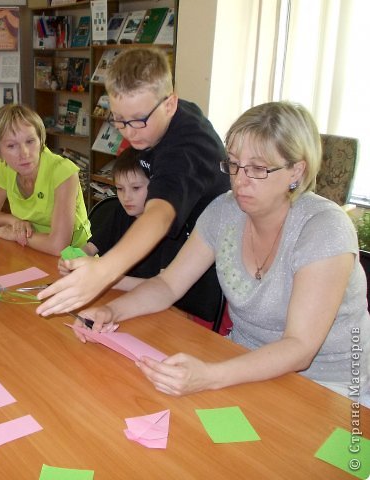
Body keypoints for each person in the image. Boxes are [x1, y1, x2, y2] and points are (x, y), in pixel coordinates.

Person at [71, 101, 370, 405]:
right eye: (235, 164)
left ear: (297, 169)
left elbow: (300, 348)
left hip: (329, 388)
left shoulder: (323, 227)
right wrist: (111, 311)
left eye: (257, 169)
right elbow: (168, 284)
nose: (240, 181)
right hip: (239, 363)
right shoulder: (224, 211)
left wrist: (210, 376)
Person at [37, 47, 230, 316]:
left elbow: (160, 214)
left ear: (170, 104)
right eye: (119, 119)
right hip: (174, 259)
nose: (128, 132)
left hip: (207, 265)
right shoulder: (152, 121)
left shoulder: (186, 147)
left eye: (138, 120)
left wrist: (103, 272)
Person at [59, 147, 188, 293]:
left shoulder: (173, 227)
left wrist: (105, 277)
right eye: (120, 189)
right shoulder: (121, 213)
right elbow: (90, 248)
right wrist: (70, 260)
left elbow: (163, 287)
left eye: (136, 188)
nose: (126, 197)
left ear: (158, 185)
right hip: (117, 295)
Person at [0, 104, 90, 255]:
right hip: (30, 250)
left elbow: (59, 247)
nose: (24, 153)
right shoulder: (4, 167)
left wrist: (16, 235)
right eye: (11, 145)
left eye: (30, 141)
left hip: (73, 258)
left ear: (41, 140)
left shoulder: (63, 172)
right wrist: (13, 221)